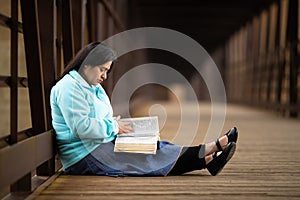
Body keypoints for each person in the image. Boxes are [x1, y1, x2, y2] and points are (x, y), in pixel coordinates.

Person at [50, 42, 238, 177]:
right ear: (87, 64)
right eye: (102, 69)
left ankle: (208, 154)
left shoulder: (92, 86)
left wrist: (115, 124)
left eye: (107, 71)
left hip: (98, 144)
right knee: (146, 159)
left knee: (157, 147)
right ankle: (208, 156)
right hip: (83, 156)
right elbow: (80, 127)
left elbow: (98, 118)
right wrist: (114, 127)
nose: (104, 76)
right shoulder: (70, 87)